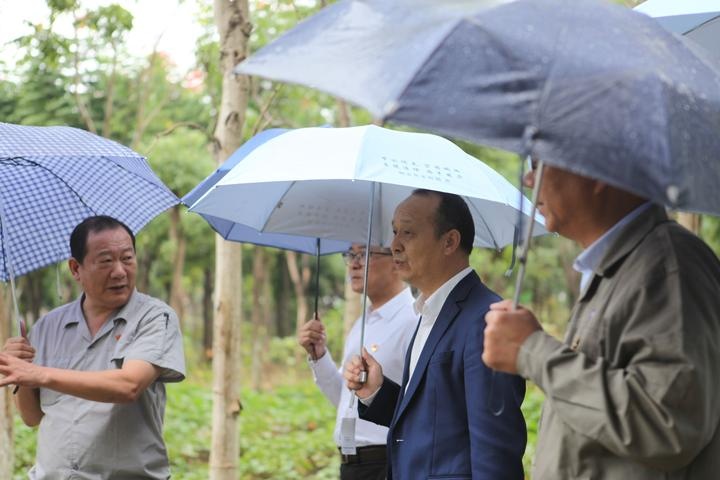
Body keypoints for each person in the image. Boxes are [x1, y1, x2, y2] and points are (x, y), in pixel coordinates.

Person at [483, 162, 720, 479]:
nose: (528, 179)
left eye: (539, 164)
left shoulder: (667, 267)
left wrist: (531, 350)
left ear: (594, 169)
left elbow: (668, 422)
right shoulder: (621, 265)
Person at [344, 189, 526, 480]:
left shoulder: (486, 320)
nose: (394, 245)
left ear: (449, 241)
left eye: (408, 232)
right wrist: (377, 391)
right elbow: (432, 423)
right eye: (394, 232)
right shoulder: (429, 313)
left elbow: (495, 452)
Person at [0, 215, 186, 479]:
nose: (119, 271)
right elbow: (31, 417)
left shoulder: (154, 317)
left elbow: (129, 386)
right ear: (75, 269)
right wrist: (21, 372)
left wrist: (40, 374)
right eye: (106, 261)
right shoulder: (47, 327)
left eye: (127, 258)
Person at [298, 242, 417, 480]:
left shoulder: (414, 320)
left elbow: (420, 407)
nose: (354, 264)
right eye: (350, 255)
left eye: (364, 254)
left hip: (386, 462)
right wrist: (319, 355)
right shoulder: (363, 322)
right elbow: (345, 398)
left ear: (397, 259)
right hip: (352, 464)